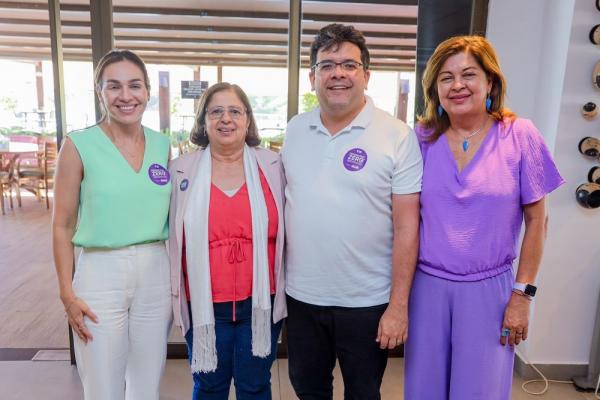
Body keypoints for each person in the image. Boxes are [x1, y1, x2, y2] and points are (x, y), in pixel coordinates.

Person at [404, 35, 565, 400]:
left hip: (490, 292)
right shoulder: (420, 139)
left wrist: (522, 296)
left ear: (490, 81)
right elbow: (401, 219)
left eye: (468, 74)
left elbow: (538, 222)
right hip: (427, 288)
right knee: (422, 391)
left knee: (479, 392)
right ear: (435, 89)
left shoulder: (519, 135)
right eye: (445, 77)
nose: (457, 85)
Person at [281, 24, 423, 399]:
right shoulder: (295, 130)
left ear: (366, 75)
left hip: (368, 302)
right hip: (302, 298)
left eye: (348, 64)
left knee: (363, 393)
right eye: (327, 65)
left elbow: (408, 227)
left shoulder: (396, 135)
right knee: (307, 389)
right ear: (312, 77)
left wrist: (398, 306)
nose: (338, 73)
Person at [52, 49, 172, 400]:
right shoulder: (78, 145)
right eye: (114, 86)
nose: (125, 96)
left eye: (135, 85)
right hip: (99, 273)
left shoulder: (162, 145)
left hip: (155, 270)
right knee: (103, 385)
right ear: (99, 92)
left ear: (147, 92)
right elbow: (61, 225)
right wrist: (66, 293)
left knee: (147, 383)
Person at [167, 82, 286, 400]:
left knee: (255, 386)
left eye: (235, 111)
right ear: (203, 121)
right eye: (216, 111)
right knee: (209, 386)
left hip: (260, 302)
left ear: (248, 119)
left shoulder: (274, 167)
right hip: (204, 303)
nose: (226, 119)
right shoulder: (180, 171)